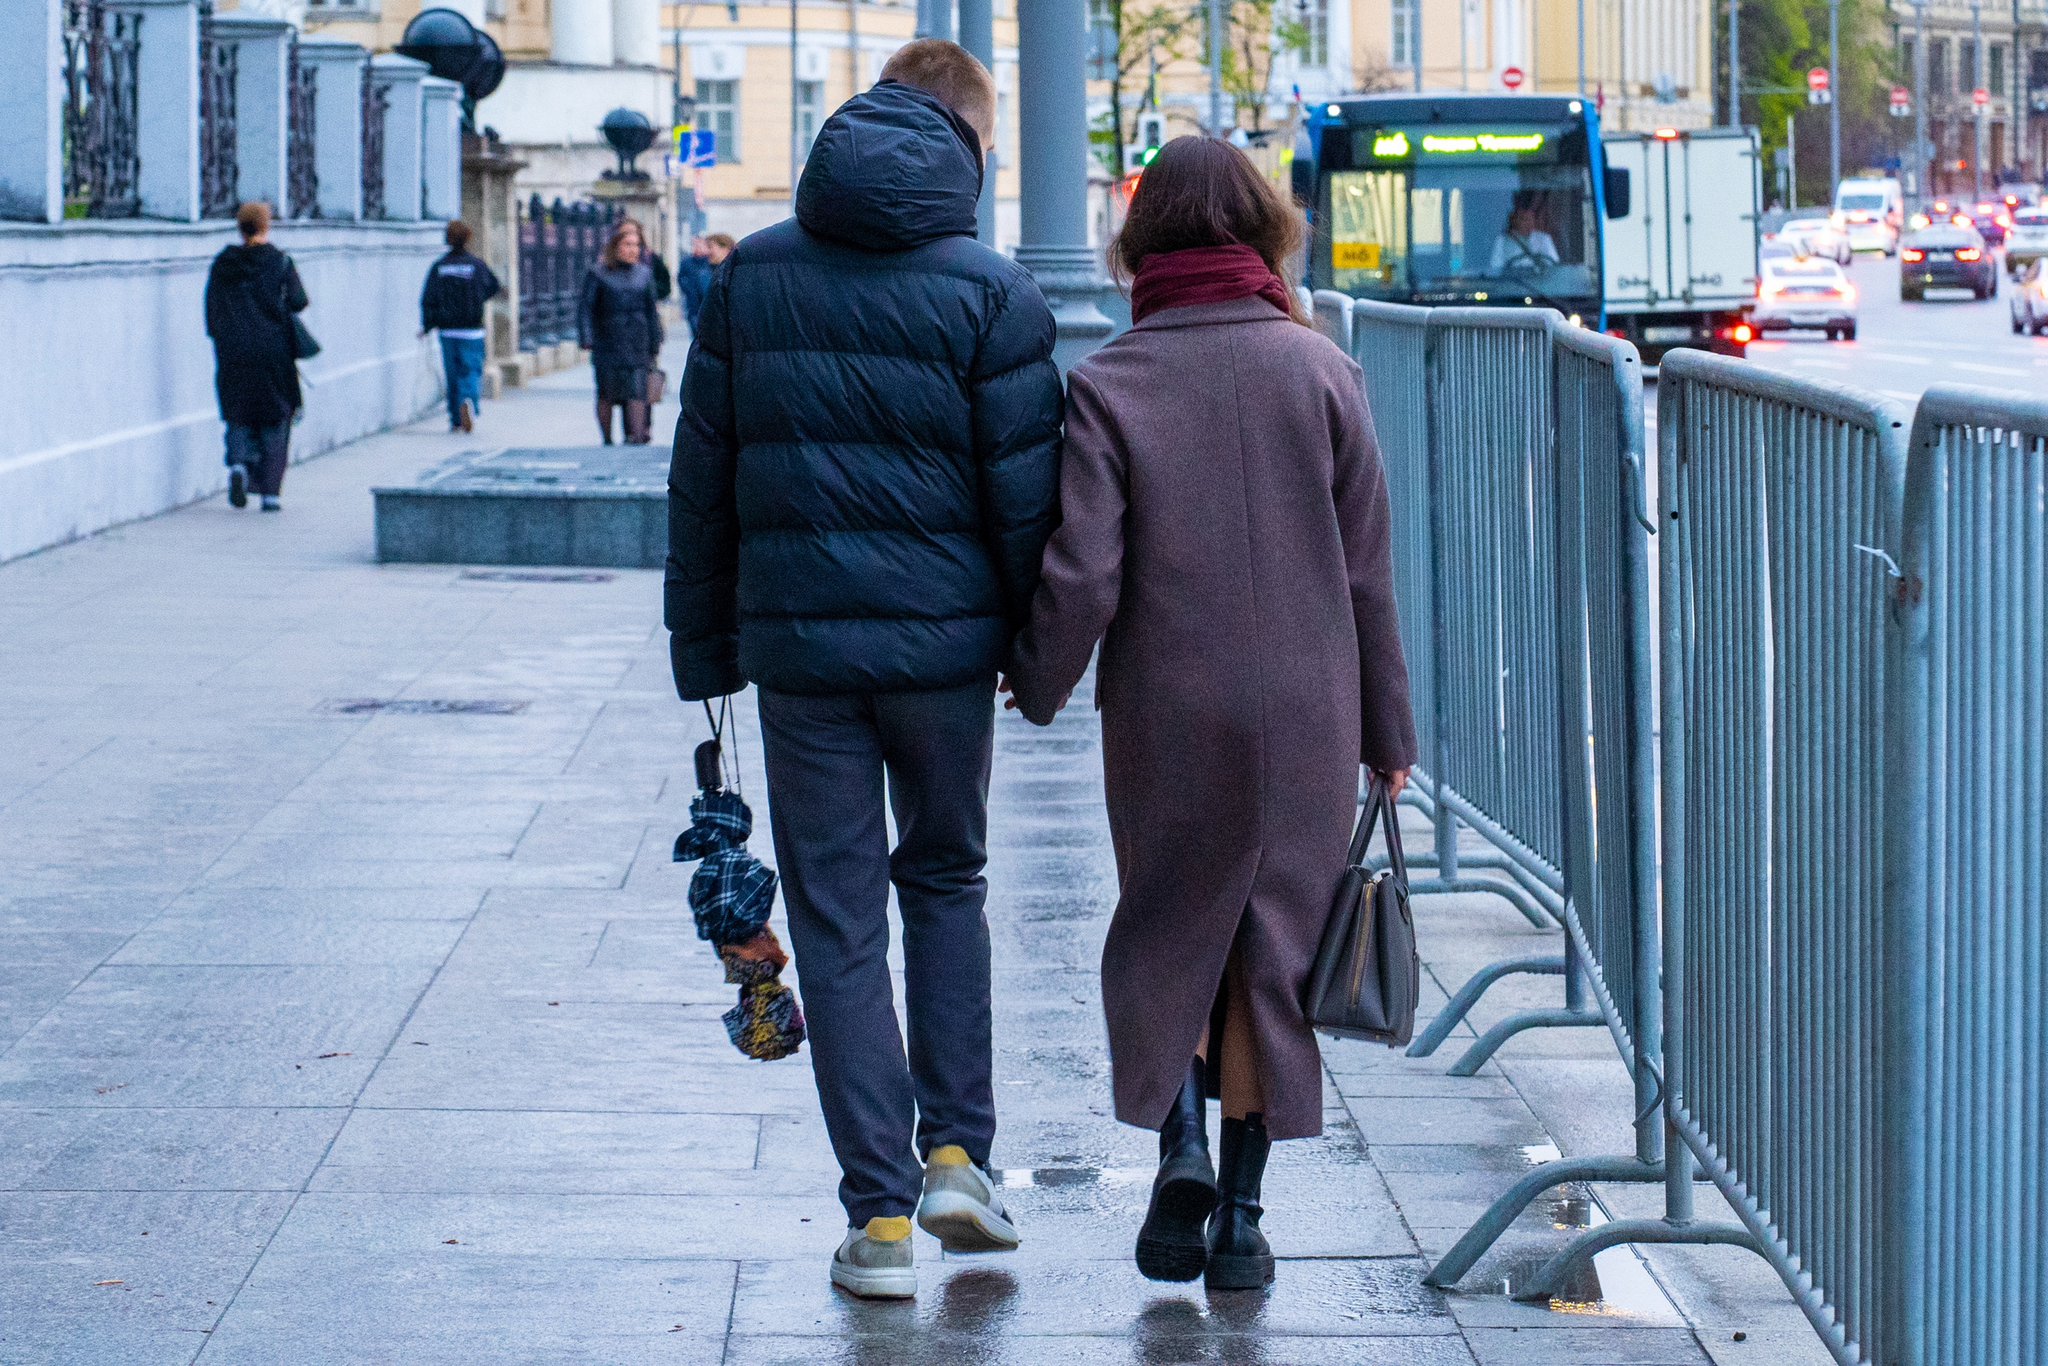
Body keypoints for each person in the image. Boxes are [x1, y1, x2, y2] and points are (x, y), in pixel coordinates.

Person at [665, 40, 1061, 1300]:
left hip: (801, 656)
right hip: (943, 656)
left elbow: (702, 485)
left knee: (838, 923)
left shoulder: (752, 279)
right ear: (970, 146)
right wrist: (1028, 648)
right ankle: (956, 1153)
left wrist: (703, 651)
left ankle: (877, 1221)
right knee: (945, 880)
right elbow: (1023, 506)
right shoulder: (995, 293)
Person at [1005, 135, 1418, 1292]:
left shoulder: (1110, 381)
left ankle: (1177, 1144)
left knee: (1168, 925)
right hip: (1306, 709)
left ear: (1142, 247)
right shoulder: (1322, 373)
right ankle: (1239, 1221)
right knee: (1273, 949)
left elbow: (1082, 573)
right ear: (1259, 230)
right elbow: (1364, 575)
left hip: (1166, 706)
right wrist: (1387, 735)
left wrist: (1035, 679)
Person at [204, 201, 309, 513]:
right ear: (266, 225)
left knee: (238, 413)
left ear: (239, 226)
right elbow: (300, 301)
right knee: (276, 418)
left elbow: (211, 310)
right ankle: (270, 493)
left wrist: (224, 338)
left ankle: (238, 465)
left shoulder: (223, 263)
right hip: (273, 352)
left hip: (233, 351)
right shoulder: (279, 261)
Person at [577, 218, 663, 444]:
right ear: (615, 247)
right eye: (627, 245)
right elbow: (586, 307)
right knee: (607, 391)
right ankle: (607, 438)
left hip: (638, 341)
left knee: (637, 390)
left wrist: (655, 341)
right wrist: (586, 337)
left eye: (636, 245)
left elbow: (651, 311)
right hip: (608, 341)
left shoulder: (644, 274)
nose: (633, 250)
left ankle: (635, 436)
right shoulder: (598, 273)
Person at [419, 219, 502, 433]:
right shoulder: (476, 265)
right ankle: (468, 398)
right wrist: (477, 298)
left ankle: (456, 419)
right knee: (471, 370)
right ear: (468, 238)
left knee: (452, 374)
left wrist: (427, 325)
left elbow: (429, 298)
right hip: (472, 329)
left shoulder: (440, 267)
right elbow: (493, 286)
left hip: (447, 331)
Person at [1489, 203, 1560, 273]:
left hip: (1539, 280)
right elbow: (1496, 267)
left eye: (1530, 219)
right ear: (1514, 221)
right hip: (1513, 281)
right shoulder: (1502, 241)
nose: (1528, 223)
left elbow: (1555, 265)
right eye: (1524, 219)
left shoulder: (1544, 239)